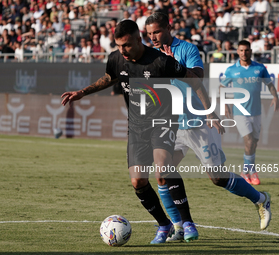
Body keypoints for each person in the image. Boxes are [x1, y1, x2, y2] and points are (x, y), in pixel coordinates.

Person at [62, 19, 224, 244]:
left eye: (127, 45)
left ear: (139, 39)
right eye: (118, 45)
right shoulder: (116, 58)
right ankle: (164, 225)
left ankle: (187, 222)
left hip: (163, 121)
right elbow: (110, 78)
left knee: (163, 168)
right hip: (137, 126)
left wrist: (209, 111)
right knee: (138, 181)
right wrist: (83, 92)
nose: (122, 51)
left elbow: (195, 81)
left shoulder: (160, 61)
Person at [145, 12, 272, 242]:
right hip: (171, 124)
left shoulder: (187, 49)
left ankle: (261, 199)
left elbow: (197, 79)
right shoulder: (150, 55)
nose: (153, 37)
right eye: (149, 33)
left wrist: (172, 65)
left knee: (216, 177)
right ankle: (179, 225)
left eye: (156, 32)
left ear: (168, 28)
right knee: (162, 173)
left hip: (197, 121)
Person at [221, 40, 279, 186]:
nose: (244, 53)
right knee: (249, 140)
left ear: (250, 51)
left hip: (257, 112)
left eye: (246, 50)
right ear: (238, 52)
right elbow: (222, 87)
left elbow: (270, 84)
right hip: (240, 112)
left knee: (254, 143)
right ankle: (251, 171)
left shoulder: (259, 68)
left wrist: (275, 96)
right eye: (241, 50)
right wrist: (225, 104)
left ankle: (245, 172)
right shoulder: (232, 70)